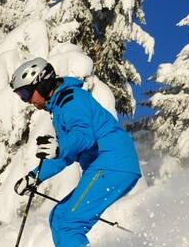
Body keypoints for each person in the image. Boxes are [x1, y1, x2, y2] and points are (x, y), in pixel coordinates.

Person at [10, 58, 141, 247]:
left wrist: (60, 146)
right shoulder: (61, 105)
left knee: (69, 225)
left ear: (43, 84)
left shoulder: (71, 99)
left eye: (25, 93)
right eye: (21, 96)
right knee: (59, 217)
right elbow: (66, 154)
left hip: (112, 164)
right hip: (107, 165)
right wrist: (34, 177)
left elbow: (83, 136)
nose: (26, 100)